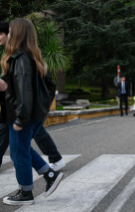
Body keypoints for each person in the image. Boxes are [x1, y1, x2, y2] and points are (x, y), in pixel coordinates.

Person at [1, 18, 63, 205]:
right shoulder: (28, 57)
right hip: (28, 113)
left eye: (10, 31)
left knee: (18, 153)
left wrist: (21, 119)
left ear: (18, 34)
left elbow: (25, 92)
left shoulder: (21, 59)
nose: (8, 34)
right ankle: (50, 174)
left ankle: (26, 193)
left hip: (22, 115)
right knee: (22, 149)